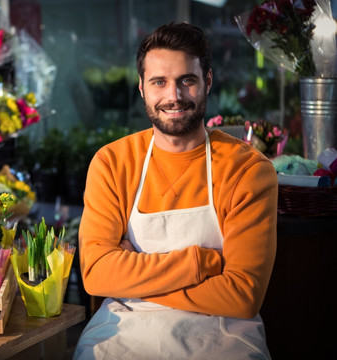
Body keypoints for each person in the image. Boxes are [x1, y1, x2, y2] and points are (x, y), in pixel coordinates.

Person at [74, 22, 277, 360]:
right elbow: (95, 274)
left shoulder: (249, 171)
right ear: (141, 88)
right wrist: (198, 263)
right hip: (123, 329)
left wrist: (131, 270)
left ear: (207, 82)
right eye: (159, 82)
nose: (174, 96)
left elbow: (242, 296)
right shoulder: (112, 163)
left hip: (223, 332)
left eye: (187, 80)